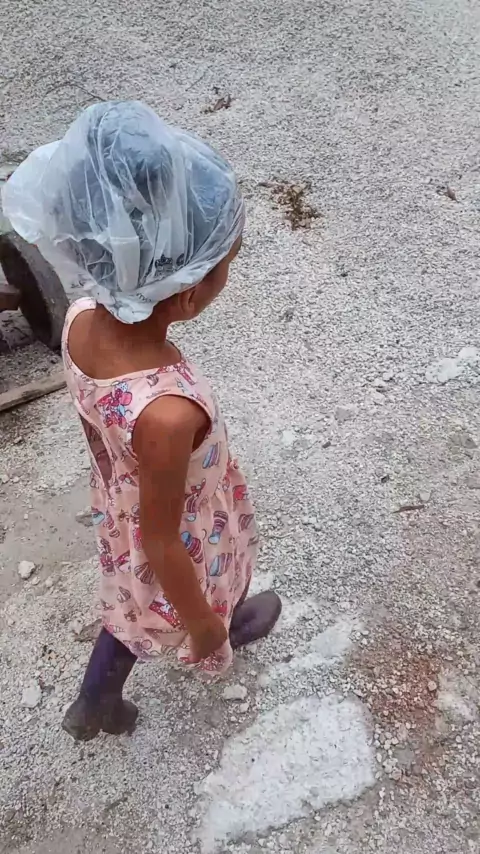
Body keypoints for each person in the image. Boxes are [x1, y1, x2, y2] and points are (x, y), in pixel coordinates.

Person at [3, 100, 281, 741]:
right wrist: (201, 624)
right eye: (225, 265)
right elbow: (164, 542)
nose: (226, 274)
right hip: (183, 526)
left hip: (123, 502)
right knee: (185, 589)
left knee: (129, 605)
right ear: (185, 292)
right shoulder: (167, 412)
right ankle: (223, 622)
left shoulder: (80, 318)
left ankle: (96, 701)